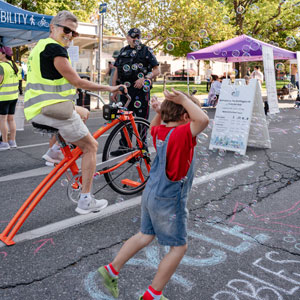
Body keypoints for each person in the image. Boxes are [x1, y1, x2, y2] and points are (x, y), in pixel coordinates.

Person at [97, 89, 209, 300]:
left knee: (145, 235)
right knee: (179, 247)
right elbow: (203, 120)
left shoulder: (160, 132)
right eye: (191, 113)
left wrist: (159, 111)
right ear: (186, 117)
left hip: (151, 193)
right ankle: (153, 295)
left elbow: (155, 126)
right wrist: (184, 99)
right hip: (169, 198)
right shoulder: (181, 134)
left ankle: (112, 269)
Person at [24, 10, 126, 214]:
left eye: (74, 33)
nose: (70, 35)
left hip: (39, 107)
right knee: (91, 147)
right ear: (53, 27)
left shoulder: (39, 47)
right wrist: (110, 88)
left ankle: (54, 152)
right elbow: (77, 81)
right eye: (66, 30)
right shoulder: (56, 50)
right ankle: (86, 200)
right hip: (52, 109)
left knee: (83, 113)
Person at [110, 28, 160, 156]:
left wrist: (145, 78)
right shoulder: (123, 51)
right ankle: (124, 147)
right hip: (125, 90)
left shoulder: (146, 50)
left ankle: (142, 147)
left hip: (141, 90)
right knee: (125, 119)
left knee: (141, 120)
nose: (135, 39)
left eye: (138, 36)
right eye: (132, 36)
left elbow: (156, 70)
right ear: (127, 37)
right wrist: (114, 89)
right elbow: (116, 71)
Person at [0, 46, 19, 151]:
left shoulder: (1, 66)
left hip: (3, 97)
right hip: (13, 96)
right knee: (11, 119)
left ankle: (4, 142)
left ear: (3, 54)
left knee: (2, 120)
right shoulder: (14, 65)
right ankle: (12, 141)